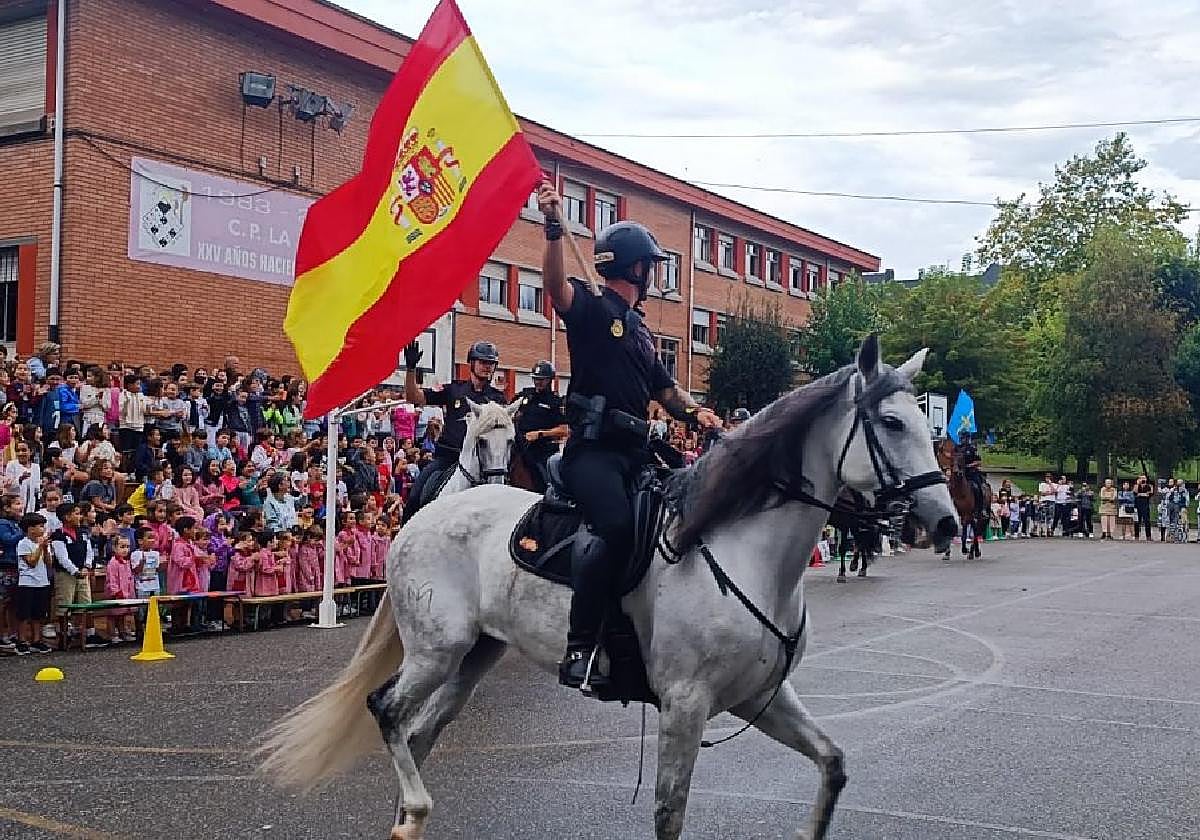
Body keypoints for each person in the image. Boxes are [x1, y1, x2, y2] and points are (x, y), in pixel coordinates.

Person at [537, 179, 721, 688]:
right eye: (653, 266)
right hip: (593, 453)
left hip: (637, 451)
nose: (654, 275)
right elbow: (555, 288)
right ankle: (581, 644)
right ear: (638, 268)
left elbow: (667, 392)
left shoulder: (640, 330)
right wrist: (554, 227)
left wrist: (697, 414)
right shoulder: (592, 311)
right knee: (616, 527)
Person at [401, 338, 506, 523]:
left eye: (491, 363)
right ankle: (405, 535)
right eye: (483, 362)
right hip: (447, 458)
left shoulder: (497, 399)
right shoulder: (453, 390)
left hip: (482, 464)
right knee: (416, 495)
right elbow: (413, 397)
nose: (487, 367)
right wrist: (410, 370)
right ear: (471, 363)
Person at [512, 360, 568, 492]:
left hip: (542, 452)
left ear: (550, 380)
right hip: (520, 448)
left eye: (542, 379)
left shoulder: (555, 402)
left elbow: (564, 429)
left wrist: (540, 434)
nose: (538, 382)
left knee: (546, 482)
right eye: (536, 379)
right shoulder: (524, 395)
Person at [13, 512, 52, 654]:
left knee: (39, 614)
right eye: (40, 526)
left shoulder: (42, 544)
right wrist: (40, 547)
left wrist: (46, 549)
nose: (43, 529)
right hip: (27, 583)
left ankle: (37, 640)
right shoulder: (23, 544)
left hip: (42, 582)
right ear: (30, 529)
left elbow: (49, 563)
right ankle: (22, 640)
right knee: (24, 614)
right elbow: (31, 562)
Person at [1133, 475, 1154, 541]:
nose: (1142, 479)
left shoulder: (1149, 486)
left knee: (1147, 521)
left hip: (1145, 505)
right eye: (1141, 478)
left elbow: (1150, 493)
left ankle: (1148, 536)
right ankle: (1136, 536)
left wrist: (1141, 494)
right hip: (1137, 505)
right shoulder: (1136, 485)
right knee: (1137, 521)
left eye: (1144, 478)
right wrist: (1138, 484)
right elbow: (1135, 492)